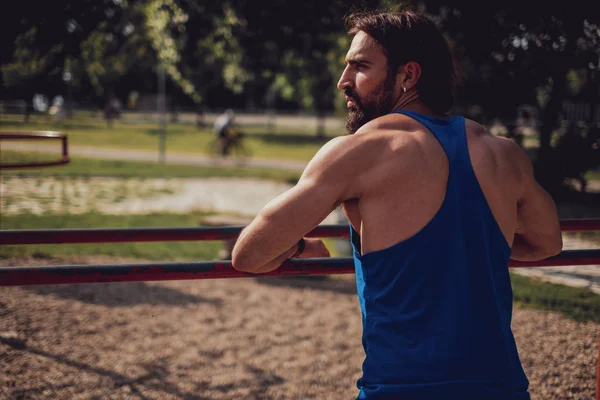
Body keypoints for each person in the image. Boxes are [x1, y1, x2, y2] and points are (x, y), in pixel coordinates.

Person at [232, 8, 562, 400]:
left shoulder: (358, 153)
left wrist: (301, 247)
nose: (343, 81)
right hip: (502, 389)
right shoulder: (502, 154)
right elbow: (548, 244)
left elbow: (249, 254)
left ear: (408, 75)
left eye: (359, 66)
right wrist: (467, 251)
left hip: (401, 390)